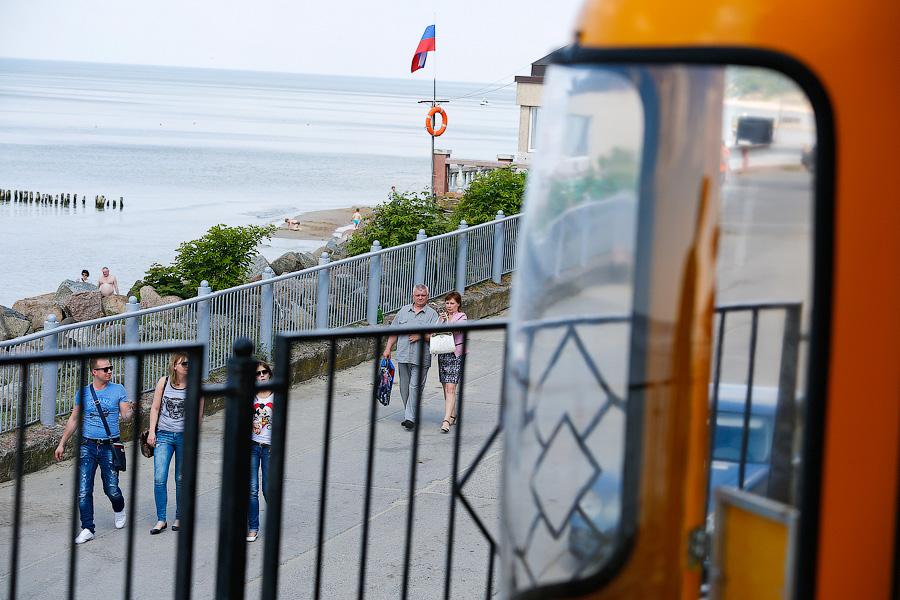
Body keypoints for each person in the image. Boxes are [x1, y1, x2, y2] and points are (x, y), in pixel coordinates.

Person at [54, 357, 132, 544]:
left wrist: (130, 410)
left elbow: (126, 416)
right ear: (94, 372)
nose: (109, 371)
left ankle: (119, 508)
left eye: (110, 368)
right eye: (105, 369)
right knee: (83, 490)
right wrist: (62, 443)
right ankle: (87, 528)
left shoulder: (118, 389)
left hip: (109, 446)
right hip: (87, 446)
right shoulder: (83, 393)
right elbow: (74, 419)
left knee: (111, 489)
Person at [147, 352, 204, 535]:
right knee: (159, 477)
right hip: (163, 434)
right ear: (174, 366)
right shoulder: (163, 382)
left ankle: (180, 516)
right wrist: (152, 431)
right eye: (184, 363)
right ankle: (161, 519)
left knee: (180, 478)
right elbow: (155, 408)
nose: (188, 366)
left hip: (184, 436)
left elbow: (198, 415)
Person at [382, 284, 439, 430]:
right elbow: (394, 331)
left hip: (421, 357)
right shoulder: (403, 311)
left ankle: (409, 418)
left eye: (423, 295)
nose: (420, 298)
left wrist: (421, 335)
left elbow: (435, 336)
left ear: (427, 296)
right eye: (417, 295)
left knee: (415, 387)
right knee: (404, 388)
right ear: (413, 296)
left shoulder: (432, 315)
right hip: (403, 355)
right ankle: (411, 413)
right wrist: (388, 348)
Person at [247, 359, 275, 542]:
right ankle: (253, 527)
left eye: (264, 372)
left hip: (269, 448)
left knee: (267, 488)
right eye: (257, 373)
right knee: (252, 489)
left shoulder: (275, 396)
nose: (261, 376)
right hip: (252, 446)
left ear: (269, 374)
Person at [437, 291, 467, 433]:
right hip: (443, 353)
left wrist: (448, 321)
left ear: (458, 304)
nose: (449, 306)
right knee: (445, 386)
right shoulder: (442, 317)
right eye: (447, 303)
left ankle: (446, 420)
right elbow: (435, 333)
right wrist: (440, 321)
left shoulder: (462, 317)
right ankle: (452, 414)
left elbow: (455, 331)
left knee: (451, 387)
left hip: (456, 354)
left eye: (452, 303)